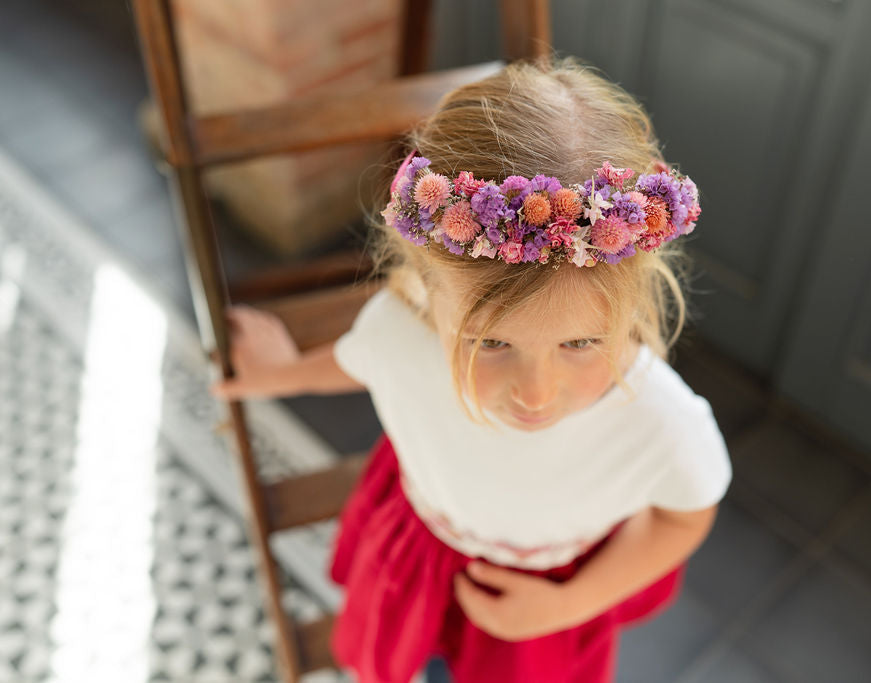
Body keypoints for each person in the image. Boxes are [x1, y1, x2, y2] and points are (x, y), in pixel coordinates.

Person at [212, 57, 732, 683]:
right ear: (429, 292)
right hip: (423, 551)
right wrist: (279, 375)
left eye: (582, 343)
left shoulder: (663, 425)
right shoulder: (401, 332)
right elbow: (360, 360)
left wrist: (569, 604)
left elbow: (684, 515)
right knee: (413, 660)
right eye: (490, 345)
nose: (534, 395)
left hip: (536, 604)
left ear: (633, 302)